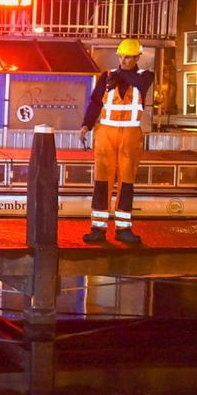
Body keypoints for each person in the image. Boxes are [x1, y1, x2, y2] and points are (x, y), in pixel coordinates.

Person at [78, 39, 155, 244]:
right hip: (106, 134)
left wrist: (119, 75)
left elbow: (138, 83)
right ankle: (98, 228)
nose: (123, 60)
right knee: (102, 181)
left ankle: (123, 228)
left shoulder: (144, 76)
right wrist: (86, 125)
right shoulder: (107, 76)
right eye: (121, 56)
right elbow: (95, 102)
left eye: (128, 57)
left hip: (130, 135)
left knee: (126, 182)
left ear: (138, 58)